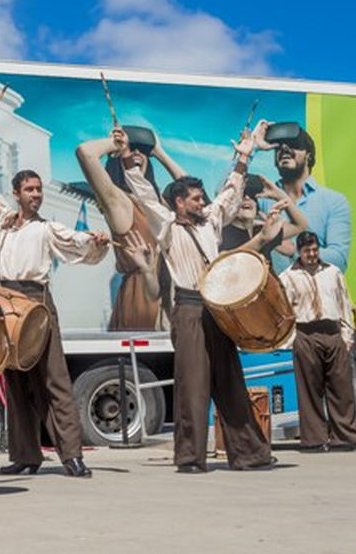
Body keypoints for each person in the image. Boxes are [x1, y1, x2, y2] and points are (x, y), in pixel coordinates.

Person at [121, 128, 274, 473]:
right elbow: (145, 195)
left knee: (231, 381)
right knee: (193, 385)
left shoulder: (211, 222)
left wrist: (244, 157)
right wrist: (129, 161)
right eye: (195, 199)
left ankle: (250, 453)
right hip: (188, 309)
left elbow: (230, 195)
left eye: (202, 199)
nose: (202, 203)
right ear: (178, 202)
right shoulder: (167, 225)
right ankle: (190, 458)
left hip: (218, 308)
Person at [0, 161, 110, 478]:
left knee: (53, 379)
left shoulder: (47, 228)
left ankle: (72, 455)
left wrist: (95, 241)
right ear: (17, 194)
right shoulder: (5, 222)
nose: (36, 195)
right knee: (17, 384)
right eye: (30, 190)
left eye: (39, 189)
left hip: (37, 302)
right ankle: (25, 456)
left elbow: (77, 242)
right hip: (6, 303)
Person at [75, 125, 186, 332]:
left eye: (142, 151)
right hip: (142, 297)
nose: (136, 153)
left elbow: (192, 191)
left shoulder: (159, 204)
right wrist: (115, 145)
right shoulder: (120, 201)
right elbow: (85, 153)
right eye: (131, 148)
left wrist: (159, 153)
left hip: (171, 296)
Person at [278, 231, 356, 452]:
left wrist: (347, 336)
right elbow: (284, 312)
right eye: (307, 250)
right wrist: (292, 340)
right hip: (305, 333)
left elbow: (344, 302)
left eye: (315, 249)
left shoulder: (333, 272)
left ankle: (346, 437)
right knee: (309, 389)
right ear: (299, 251)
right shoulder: (288, 276)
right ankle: (314, 439)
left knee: (341, 387)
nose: (312, 254)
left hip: (332, 331)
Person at [254, 121, 351, 273]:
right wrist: (251, 149)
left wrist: (295, 251)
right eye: (278, 146)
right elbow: (224, 203)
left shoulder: (334, 201)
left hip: (316, 293)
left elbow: (339, 260)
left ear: (309, 156)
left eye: (293, 144)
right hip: (274, 294)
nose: (284, 148)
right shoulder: (263, 199)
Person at [220, 174, 307, 259]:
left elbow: (300, 225)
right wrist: (261, 239)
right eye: (241, 195)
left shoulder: (262, 230)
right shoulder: (220, 232)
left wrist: (280, 195)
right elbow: (224, 261)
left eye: (252, 195)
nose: (247, 198)